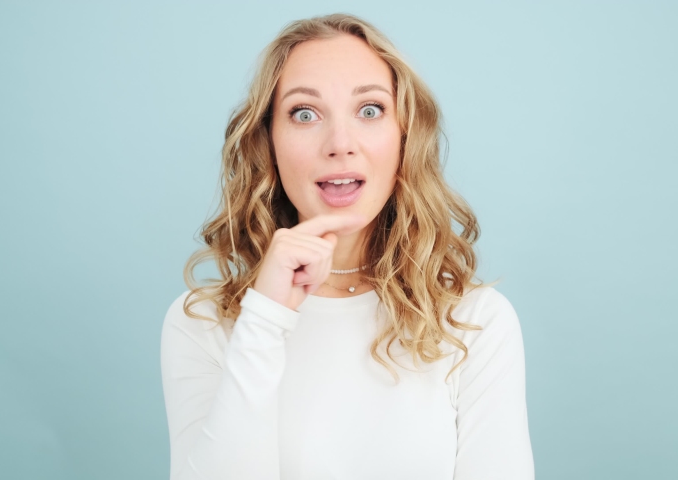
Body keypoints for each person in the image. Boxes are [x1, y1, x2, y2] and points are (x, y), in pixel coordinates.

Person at [160, 13, 534, 480]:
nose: (340, 143)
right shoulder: (201, 323)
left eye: (370, 110)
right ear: (268, 142)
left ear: (404, 138)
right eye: (304, 113)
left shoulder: (474, 322)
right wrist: (264, 318)